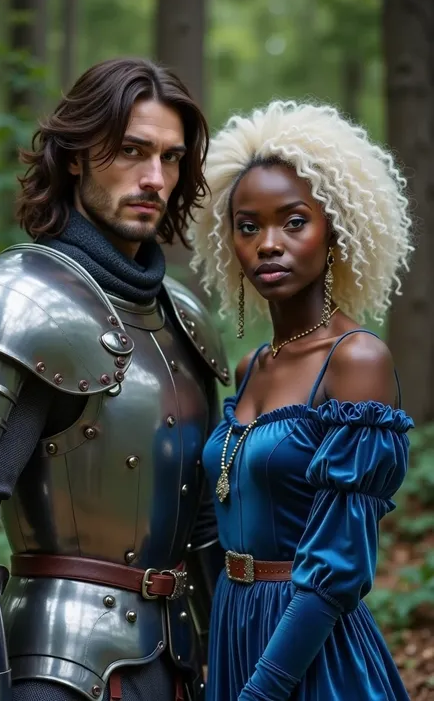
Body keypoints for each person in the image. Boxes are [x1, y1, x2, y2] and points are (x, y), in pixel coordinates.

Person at [0, 58, 230, 701]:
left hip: (182, 669)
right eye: (132, 151)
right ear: (77, 155)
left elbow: (203, 528)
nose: (154, 178)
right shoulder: (17, 302)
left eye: (171, 158)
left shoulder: (186, 319)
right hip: (55, 672)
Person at [189, 100, 414, 700]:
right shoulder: (250, 367)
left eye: (293, 222)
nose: (268, 244)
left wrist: (262, 691)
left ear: (334, 229)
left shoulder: (356, 361)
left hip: (312, 653)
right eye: (248, 226)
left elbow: (338, 570)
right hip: (234, 635)